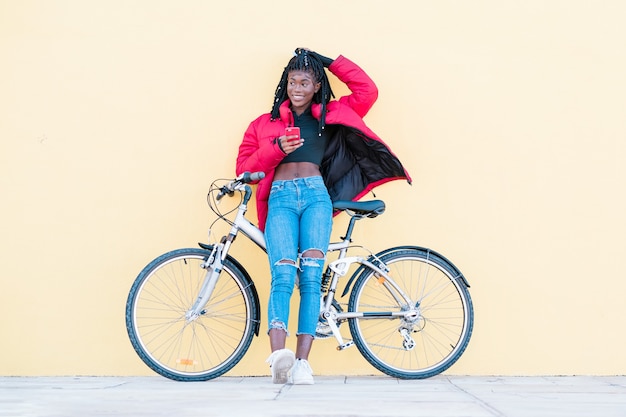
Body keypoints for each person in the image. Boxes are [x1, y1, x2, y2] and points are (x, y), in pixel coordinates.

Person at [235, 48, 411, 385]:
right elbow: (245, 170)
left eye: (305, 81)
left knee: (312, 277)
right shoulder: (263, 124)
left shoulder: (330, 114)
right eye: (291, 81)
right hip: (281, 200)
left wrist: (328, 61)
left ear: (317, 86)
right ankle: (278, 359)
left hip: (317, 197)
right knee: (283, 274)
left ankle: (302, 363)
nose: (297, 88)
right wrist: (276, 150)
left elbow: (367, 91)